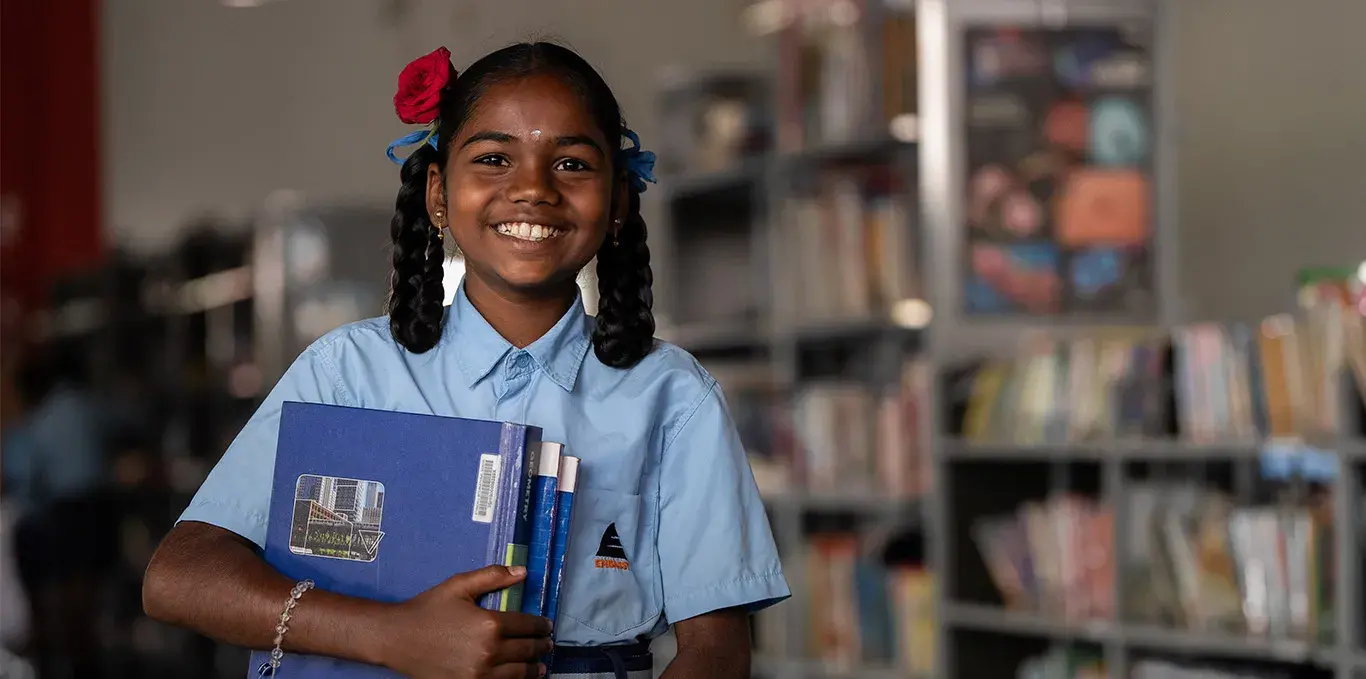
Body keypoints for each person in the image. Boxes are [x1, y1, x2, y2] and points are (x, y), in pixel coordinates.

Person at [142, 42, 789, 679]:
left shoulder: (672, 394)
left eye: (571, 164)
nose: (533, 188)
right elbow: (179, 575)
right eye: (494, 158)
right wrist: (392, 636)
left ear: (617, 200)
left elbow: (718, 648)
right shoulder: (349, 374)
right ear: (438, 194)